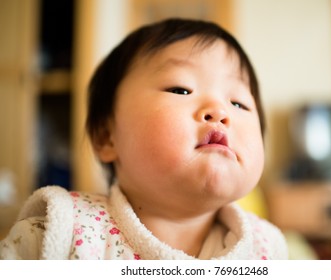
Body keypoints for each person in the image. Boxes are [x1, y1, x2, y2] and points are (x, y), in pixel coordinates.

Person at [0, 18, 288, 260]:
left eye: (239, 103)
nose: (220, 111)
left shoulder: (267, 249)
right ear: (107, 137)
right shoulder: (60, 231)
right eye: (180, 89)